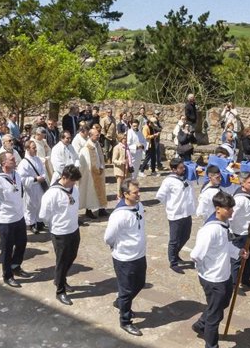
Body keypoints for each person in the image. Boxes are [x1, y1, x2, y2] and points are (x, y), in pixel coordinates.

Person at [190, 191, 248, 348]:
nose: (232, 212)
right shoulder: (210, 230)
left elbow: (225, 246)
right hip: (213, 278)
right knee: (216, 315)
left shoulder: (223, 225)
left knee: (221, 305)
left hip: (223, 275)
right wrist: (205, 272)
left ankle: (201, 324)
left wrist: (238, 252)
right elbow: (196, 255)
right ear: (218, 209)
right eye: (229, 209)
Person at [105, 178, 147, 336]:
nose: (138, 195)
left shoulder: (139, 206)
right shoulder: (119, 215)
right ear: (125, 194)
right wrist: (118, 247)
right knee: (126, 289)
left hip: (140, 255)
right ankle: (125, 320)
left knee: (140, 283)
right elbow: (108, 237)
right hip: (125, 258)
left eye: (138, 191)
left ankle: (121, 303)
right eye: (135, 193)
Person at [0, 151, 31, 287]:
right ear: (4, 163)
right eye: (12, 159)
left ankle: (16, 266)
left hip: (18, 217)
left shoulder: (16, 174)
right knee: (7, 249)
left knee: (22, 243)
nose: (15, 160)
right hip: (5, 220)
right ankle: (7, 275)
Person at [39, 164, 82, 306]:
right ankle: (60, 290)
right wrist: (57, 223)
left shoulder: (74, 189)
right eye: (72, 180)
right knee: (62, 261)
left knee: (72, 256)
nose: (74, 184)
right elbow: (44, 215)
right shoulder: (52, 193)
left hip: (74, 229)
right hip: (60, 232)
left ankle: (60, 279)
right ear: (64, 177)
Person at [155, 158, 196, 274]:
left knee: (186, 236)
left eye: (183, 167)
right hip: (175, 214)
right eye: (180, 168)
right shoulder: (168, 181)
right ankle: (173, 262)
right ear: (173, 169)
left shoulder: (186, 178)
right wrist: (171, 206)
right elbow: (160, 196)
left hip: (186, 213)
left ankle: (175, 253)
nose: (183, 169)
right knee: (174, 239)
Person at [230, 172, 250, 290]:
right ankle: (233, 283)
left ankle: (245, 279)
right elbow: (230, 216)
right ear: (242, 183)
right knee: (236, 259)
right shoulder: (239, 199)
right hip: (241, 234)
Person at [17, 139, 48, 234]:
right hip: (31, 188)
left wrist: (43, 176)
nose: (36, 150)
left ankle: (39, 222)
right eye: (33, 148)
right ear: (27, 149)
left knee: (40, 204)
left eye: (35, 148)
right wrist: (35, 179)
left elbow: (43, 170)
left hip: (40, 187)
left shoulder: (38, 159)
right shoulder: (24, 163)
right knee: (30, 206)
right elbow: (21, 178)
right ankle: (31, 224)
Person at [78, 128, 108, 219]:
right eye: (96, 135)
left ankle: (102, 209)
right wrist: (94, 169)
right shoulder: (86, 147)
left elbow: (100, 156)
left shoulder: (97, 144)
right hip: (91, 174)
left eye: (98, 135)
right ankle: (89, 210)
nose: (98, 136)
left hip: (99, 171)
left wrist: (102, 166)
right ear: (90, 136)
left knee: (101, 190)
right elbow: (85, 162)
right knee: (90, 193)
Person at [111, 133, 132, 199]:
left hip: (127, 169)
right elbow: (114, 160)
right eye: (124, 138)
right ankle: (119, 197)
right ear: (120, 139)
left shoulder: (127, 147)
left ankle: (126, 196)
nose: (125, 140)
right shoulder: (117, 148)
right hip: (120, 169)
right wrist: (121, 162)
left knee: (127, 184)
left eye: (126, 138)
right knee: (120, 185)